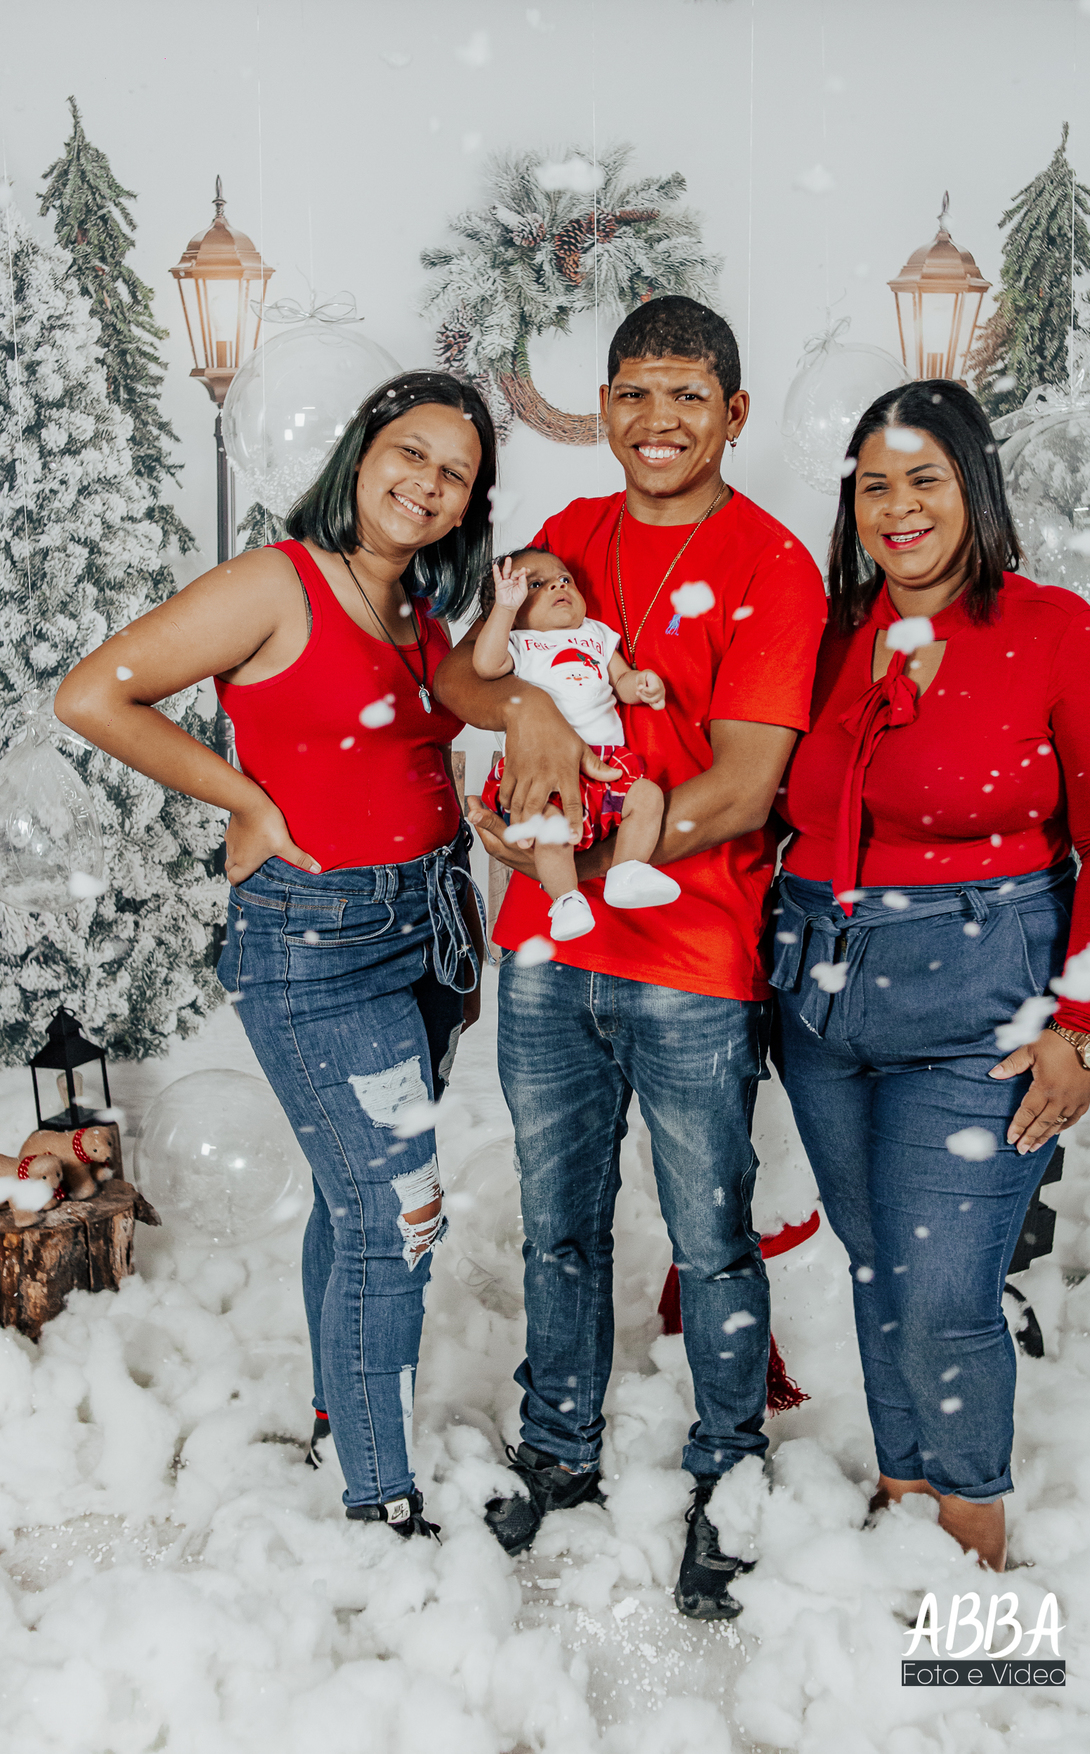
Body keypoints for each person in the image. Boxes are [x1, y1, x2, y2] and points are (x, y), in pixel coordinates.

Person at [435, 296, 827, 1619]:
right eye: (636, 392)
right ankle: (560, 1447)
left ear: (734, 413)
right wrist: (532, 711)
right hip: (547, 953)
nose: (659, 419)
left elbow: (749, 782)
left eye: (688, 394)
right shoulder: (571, 535)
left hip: (691, 952)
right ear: (602, 407)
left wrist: (589, 856)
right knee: (557, 1222)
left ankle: (729, 1466)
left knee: (710, 1235)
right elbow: (463, 680)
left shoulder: (772, 566)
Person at [56, 370, 494, 1540]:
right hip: (320, 941)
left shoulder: (419, 611)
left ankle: (340, 1418)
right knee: (399, 1211)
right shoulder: (278, 581)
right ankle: (378, 1497)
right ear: (362, 452)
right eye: (410, 452)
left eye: (455, 473)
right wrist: (245, 799)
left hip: (429, 929)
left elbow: (423, 749)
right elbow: (93, 694)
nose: (428, 483)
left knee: (358, 1203)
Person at [770, 379, 1090, 1571]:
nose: (898, 507)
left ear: (974, 488)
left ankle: (973, 1543)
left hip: (978, 1002)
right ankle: (903, 1494)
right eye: (874, 485)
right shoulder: (832, 635)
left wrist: (1083, 1024)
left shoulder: (1054, 631)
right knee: (879, 1263)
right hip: (822, 998)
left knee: (944, 1289)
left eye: (924, 478)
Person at [474, 548, 678, 940]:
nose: (558, 585)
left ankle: (626, 872)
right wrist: (504, 610)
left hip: (606, 762)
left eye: (564, 579)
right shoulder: (520, 641)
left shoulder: (596, 635)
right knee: (551, 829)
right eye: (537, 585)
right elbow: (485, 665)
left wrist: (642, 684)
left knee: (649, 797)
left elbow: (621, 680)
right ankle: (566, 900)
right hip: (543, 771)